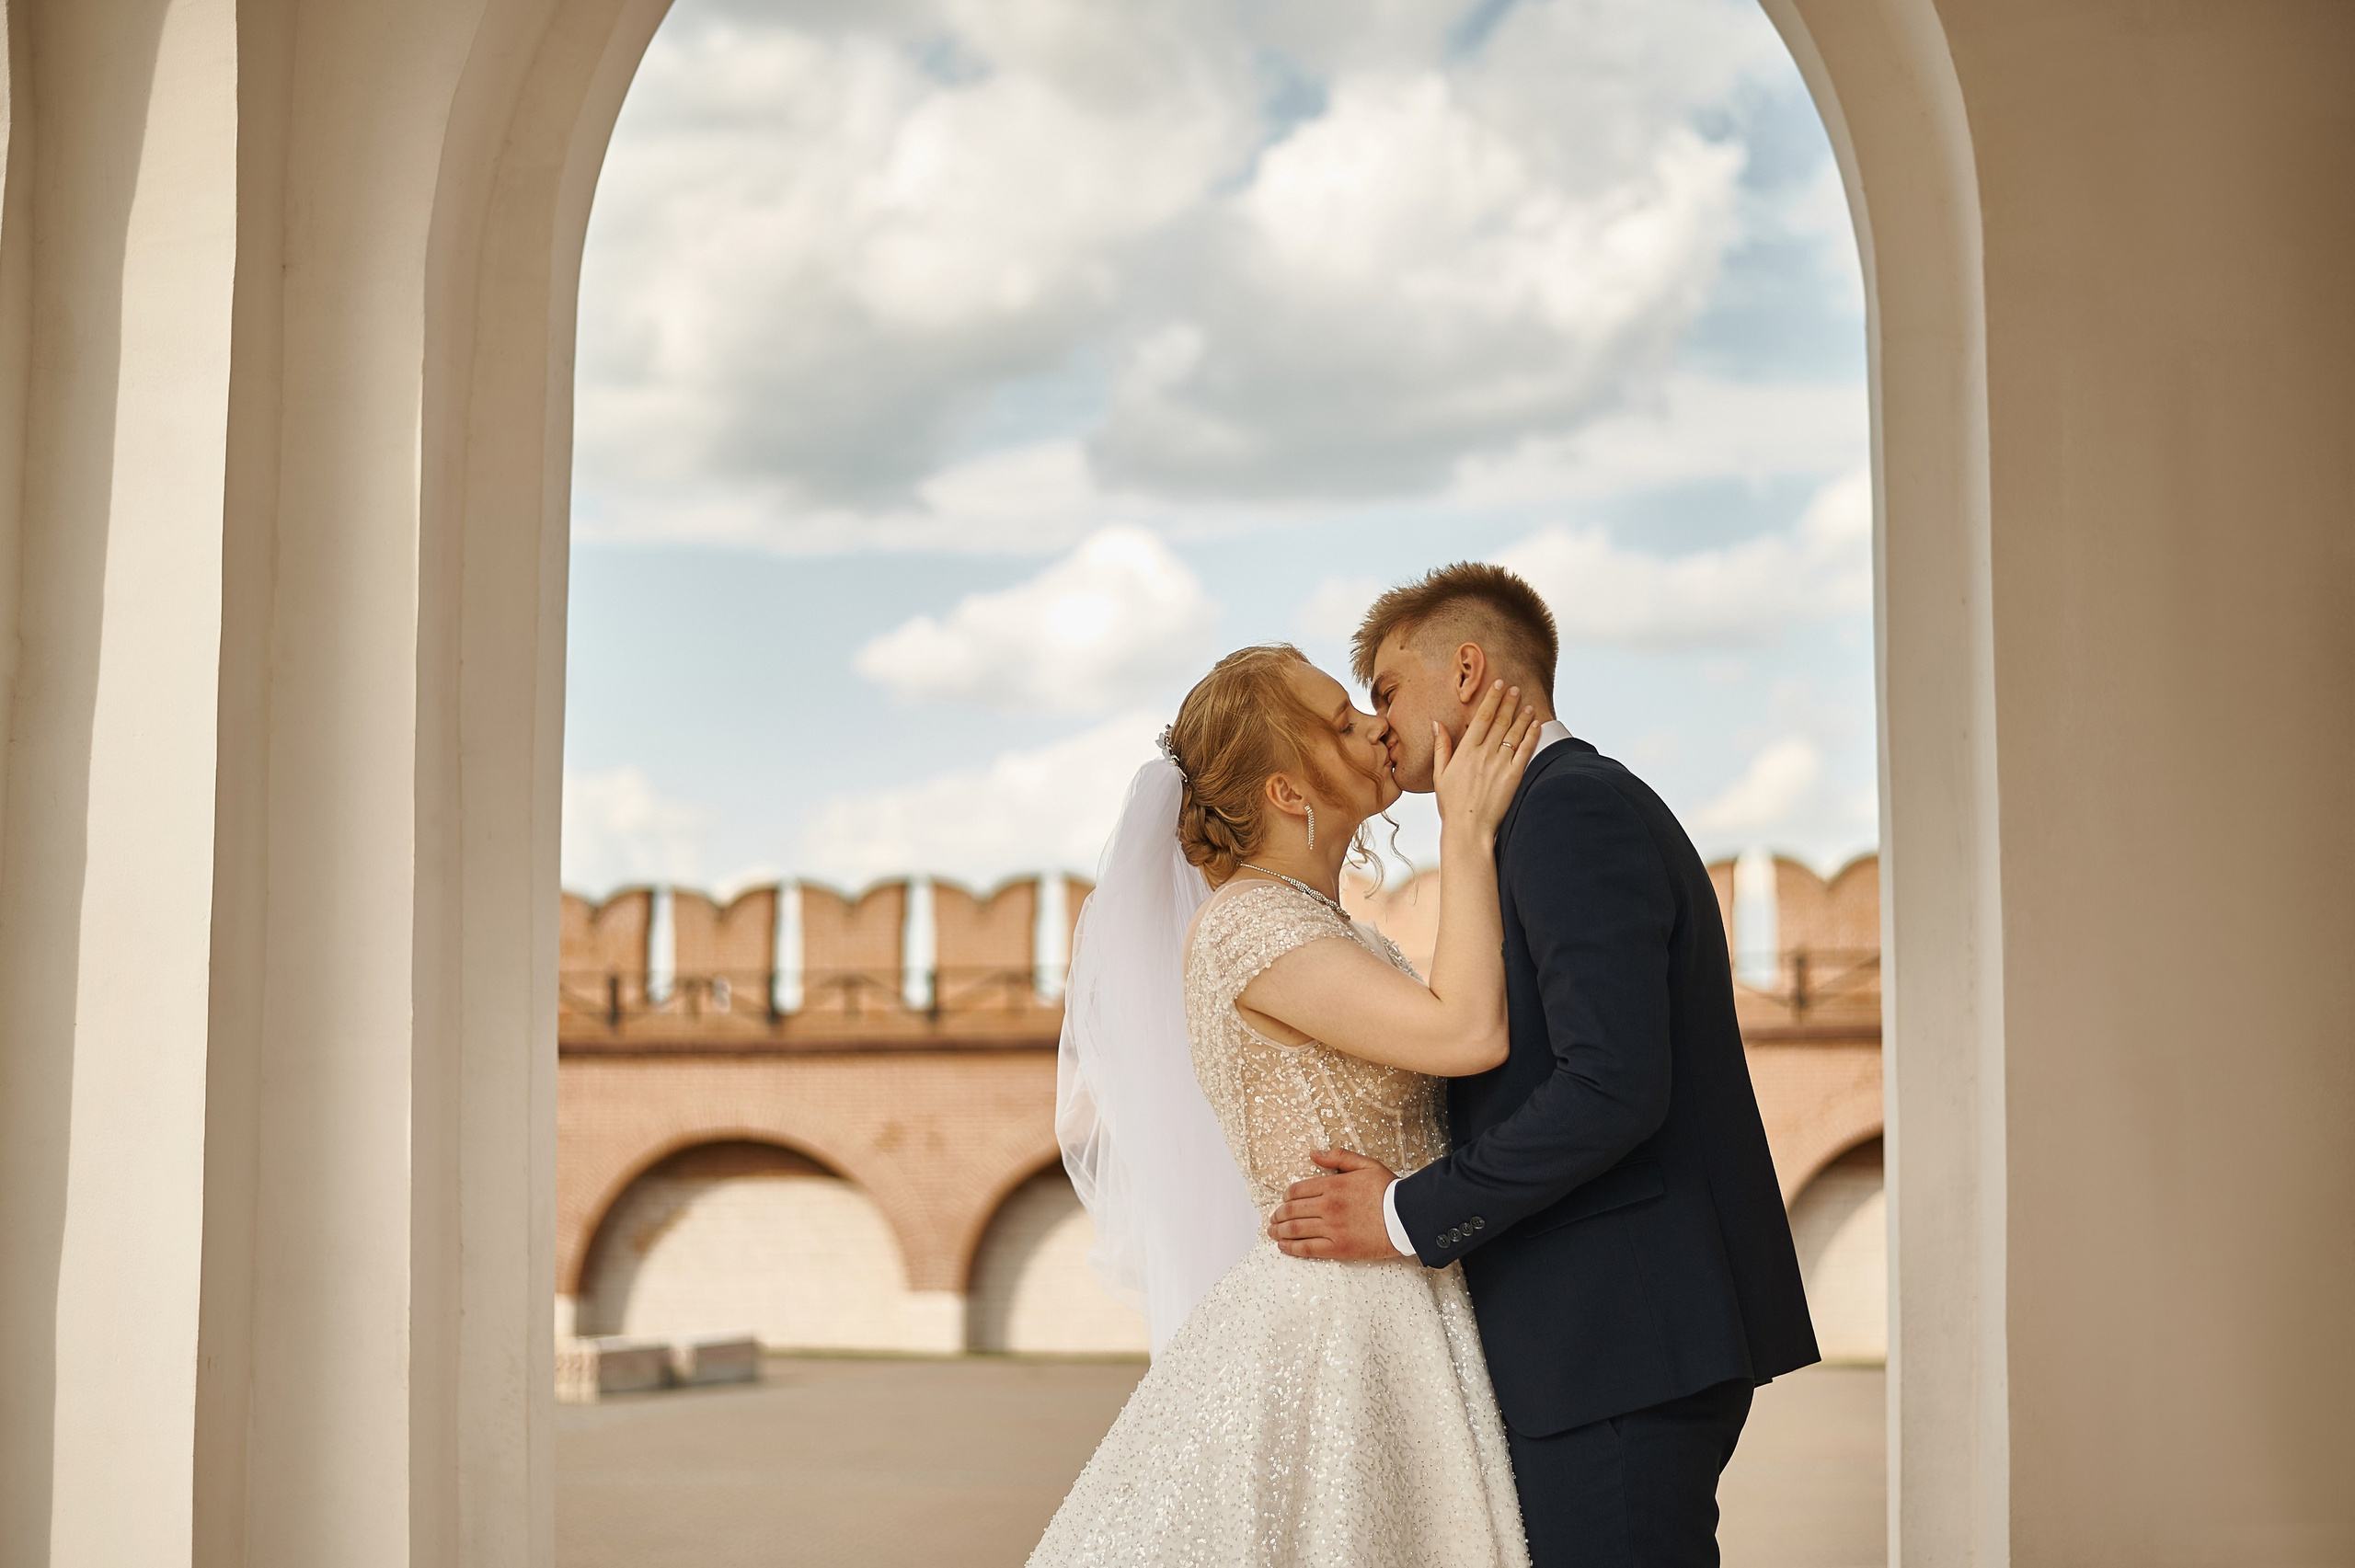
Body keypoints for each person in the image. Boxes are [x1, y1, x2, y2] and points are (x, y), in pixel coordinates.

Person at [1267, 562, 1821, 1568]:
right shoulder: (1533, 819)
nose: (1378, 723)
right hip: (1598, 1339)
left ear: (1467, 670)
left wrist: (1403, 1214)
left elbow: (1611, 1084)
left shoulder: (1569, 811)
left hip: (1616, 1338)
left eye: (1387, 691)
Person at [1034, 644, 1545, 1568]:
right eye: (1342, 722)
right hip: (1336, 1324)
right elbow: (1467, 1033)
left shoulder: (1322, 925)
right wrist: (1465, 833)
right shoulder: (1248, 925)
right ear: (1285, 792)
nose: (1375, 726)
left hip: (1401, 1299)